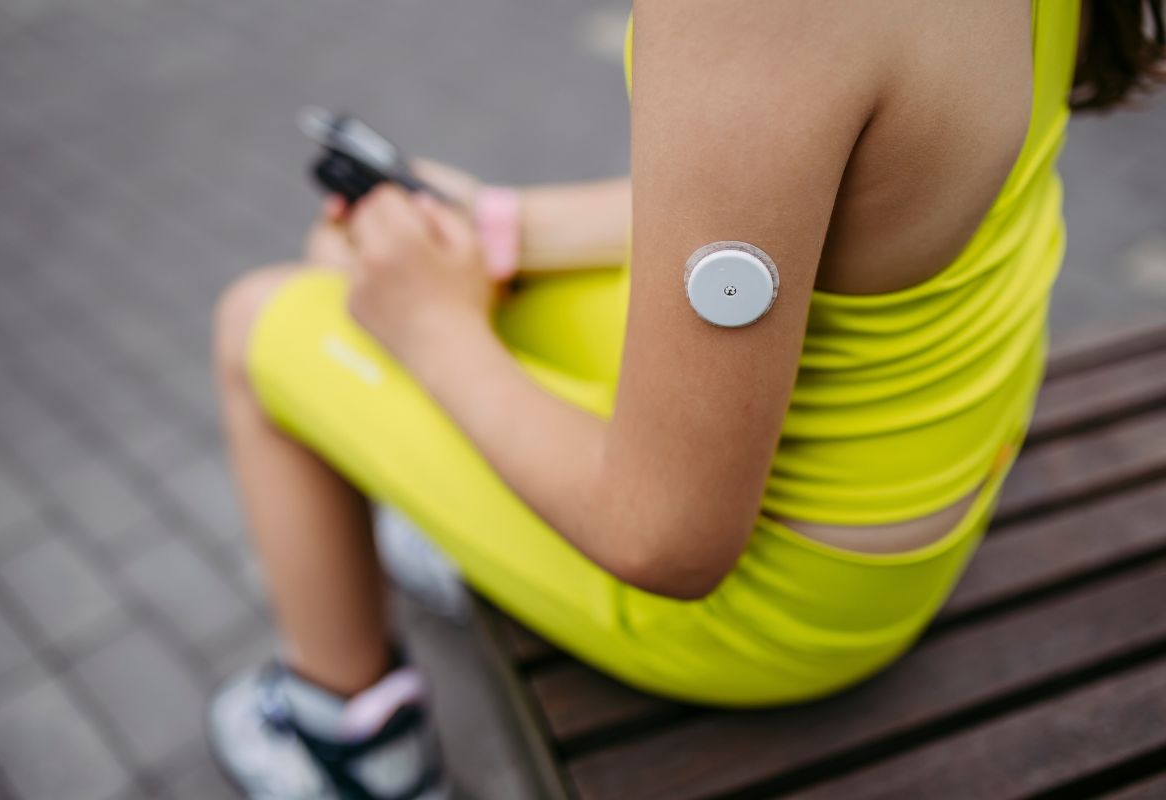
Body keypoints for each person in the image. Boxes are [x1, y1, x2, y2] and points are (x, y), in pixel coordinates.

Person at [205, 2, 1165, 798]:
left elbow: (664, 539)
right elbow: (795, 184)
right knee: (456, 284)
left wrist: (430, 326)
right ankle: (473, 509)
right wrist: (497, 230)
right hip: (940, 454)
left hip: (782, 610)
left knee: (261, 323)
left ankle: (350, 746)